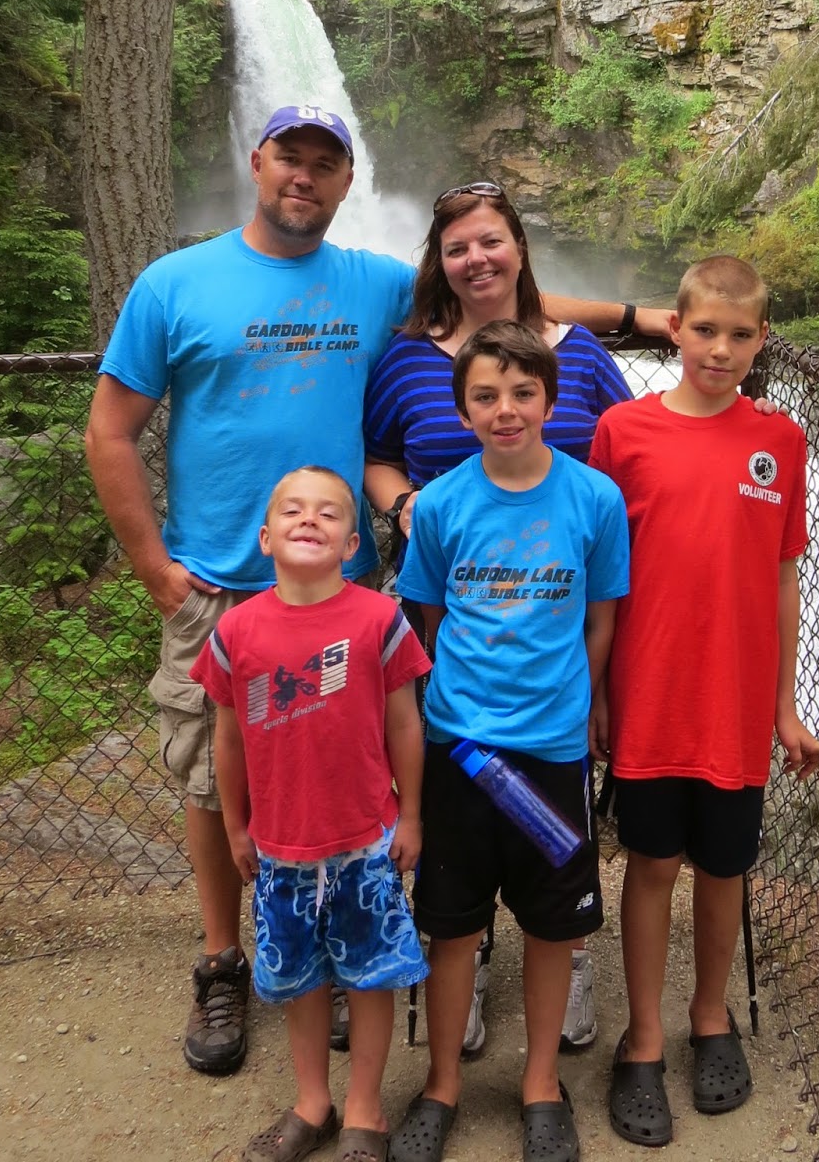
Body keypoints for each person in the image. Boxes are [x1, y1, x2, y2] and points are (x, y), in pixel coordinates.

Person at [83, 107, 667, 1079]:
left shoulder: (374, 282)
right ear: (258, 161)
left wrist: (637, 318)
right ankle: (223, 960)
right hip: (221, 580)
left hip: (355, 591)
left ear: (347, 180)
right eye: (290, 158)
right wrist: (155, 570)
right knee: (213, 776)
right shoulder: (174, 282)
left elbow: (496, 290)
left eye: (326, 163)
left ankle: (359, 950)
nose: (304, 176)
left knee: (359, 778)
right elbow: (110, 431)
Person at [363, 180, 634, 1056]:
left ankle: (567, 950)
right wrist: (406, 506)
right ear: (437, 261)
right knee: (465, 821)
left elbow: (634, 442)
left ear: (518, 248)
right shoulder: (409, 358)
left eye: (491, 241)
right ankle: (466, 951)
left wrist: (719, 382)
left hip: (559, 617)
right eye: (457, 247)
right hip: (460, 615)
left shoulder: (576, 353)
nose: (476, 259)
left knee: (553, 836)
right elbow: (377, 454)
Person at [588, 255, 819, 1148]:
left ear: (761, 339)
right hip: (649, 694)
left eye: (738, 335)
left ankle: (709, 1016)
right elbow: (601, 579)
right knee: (651, 864)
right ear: (674, 329)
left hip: (733, 702)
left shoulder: (782, 442)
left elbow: (782, 580)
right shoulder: (621, 431)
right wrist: (597, 692)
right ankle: (642, 1037)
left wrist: (783, 708)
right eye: (703, 331)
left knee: (725, 870)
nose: (719, 350)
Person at [387, 321, 630, 1162]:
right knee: (453, 925)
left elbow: (600, 618)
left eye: (523, 393)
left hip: (552, 752)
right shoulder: (440, 505)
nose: (506, 410)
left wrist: (587, 704)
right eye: (485, 395)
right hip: (461, 749)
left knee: (553, 924)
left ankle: (539, 1084)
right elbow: (431, 620)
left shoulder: (593, 499)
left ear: (550, 401)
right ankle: (441, 1084)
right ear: (461, 409)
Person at [190, 466, 430, 1162]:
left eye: (328, 513)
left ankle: (364, 1111)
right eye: (292, 510)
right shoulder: (237, 631)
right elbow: (228, 739)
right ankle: (313, 1104)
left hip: (365, 842)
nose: (309, 520)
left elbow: (404, 725)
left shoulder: (378, 619)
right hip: (280, 847)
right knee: (302, 979)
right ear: (265, 537)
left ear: (352, 542)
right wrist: (236, 827)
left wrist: (411, 815)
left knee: (370, 977)